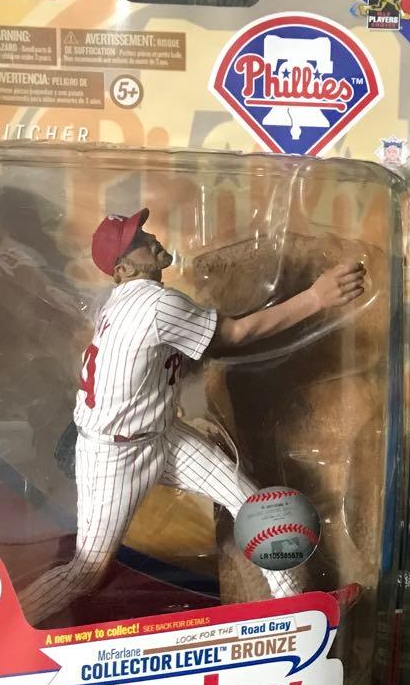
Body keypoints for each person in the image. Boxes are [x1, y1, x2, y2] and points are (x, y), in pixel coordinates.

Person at [21, 208, 365, 625]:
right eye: (137, 242)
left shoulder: (118, 303)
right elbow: (237, 334)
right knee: (86, 571)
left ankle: (295, 610)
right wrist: (315, 298)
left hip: (160, 435)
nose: (151, 239)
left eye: (143, 232)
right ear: (123, 268)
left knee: (251, 502)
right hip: (114, 457)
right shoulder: (155, 303)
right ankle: (9, 624)